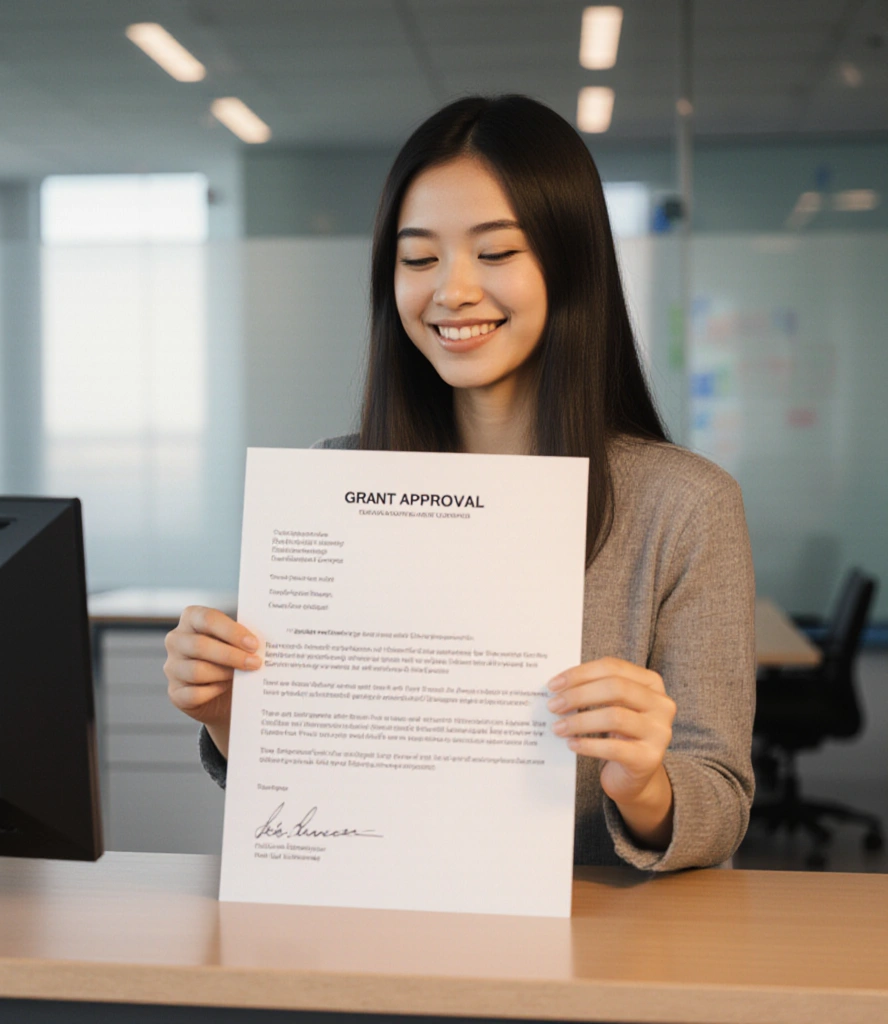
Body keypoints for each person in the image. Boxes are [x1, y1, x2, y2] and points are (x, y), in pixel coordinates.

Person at [164, 95, 755, 872]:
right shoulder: (332, 487)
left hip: (592, 948)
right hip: (368, 927)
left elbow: (720, 804)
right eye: (419, 258)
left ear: (570, 261)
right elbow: (301, 798)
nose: (453, 290)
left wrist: (642, 780)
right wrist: (229, 716)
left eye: (497, 252)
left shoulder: (683, 505)